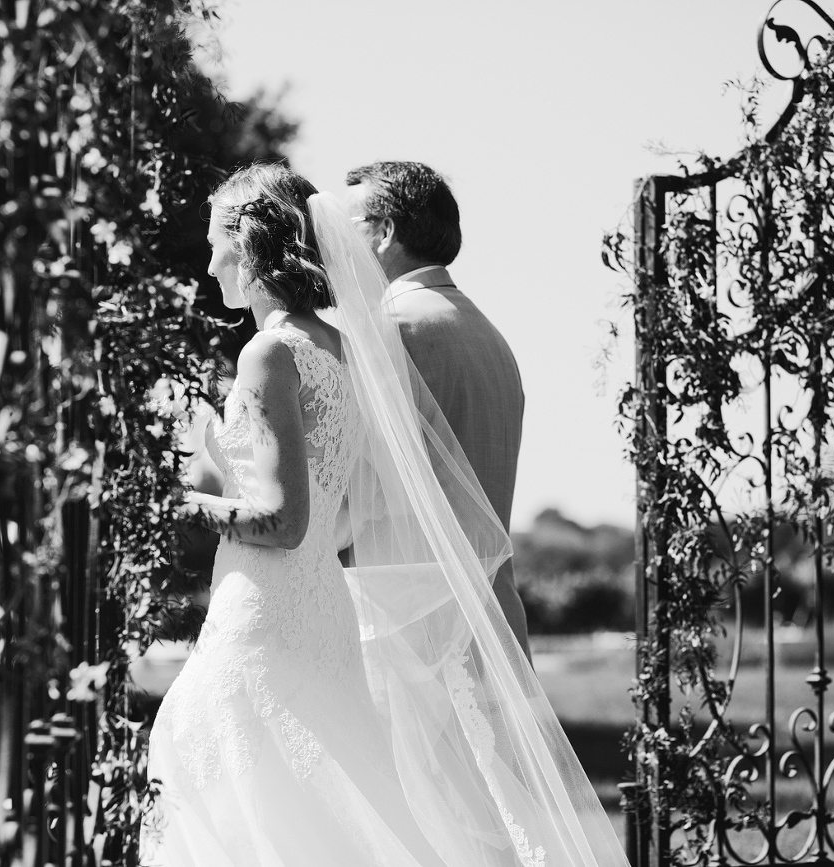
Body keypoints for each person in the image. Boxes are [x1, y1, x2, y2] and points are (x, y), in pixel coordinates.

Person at [142, 164, 625, 867]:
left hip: (332, 610)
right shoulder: (359, 345)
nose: (208, 258)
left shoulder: (321, 343)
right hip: (369, 605)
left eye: (216, 239)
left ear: (249, 246)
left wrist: (171, 499)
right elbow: (336, 500)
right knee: (343, 801)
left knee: (254, 780)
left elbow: (298, 516)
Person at [343, 160, 530, 658]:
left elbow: (363, 485)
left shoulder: (390, 329)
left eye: (348, 227)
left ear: (384, 232)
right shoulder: (491, 337)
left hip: (408, 625)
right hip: (493, 615)